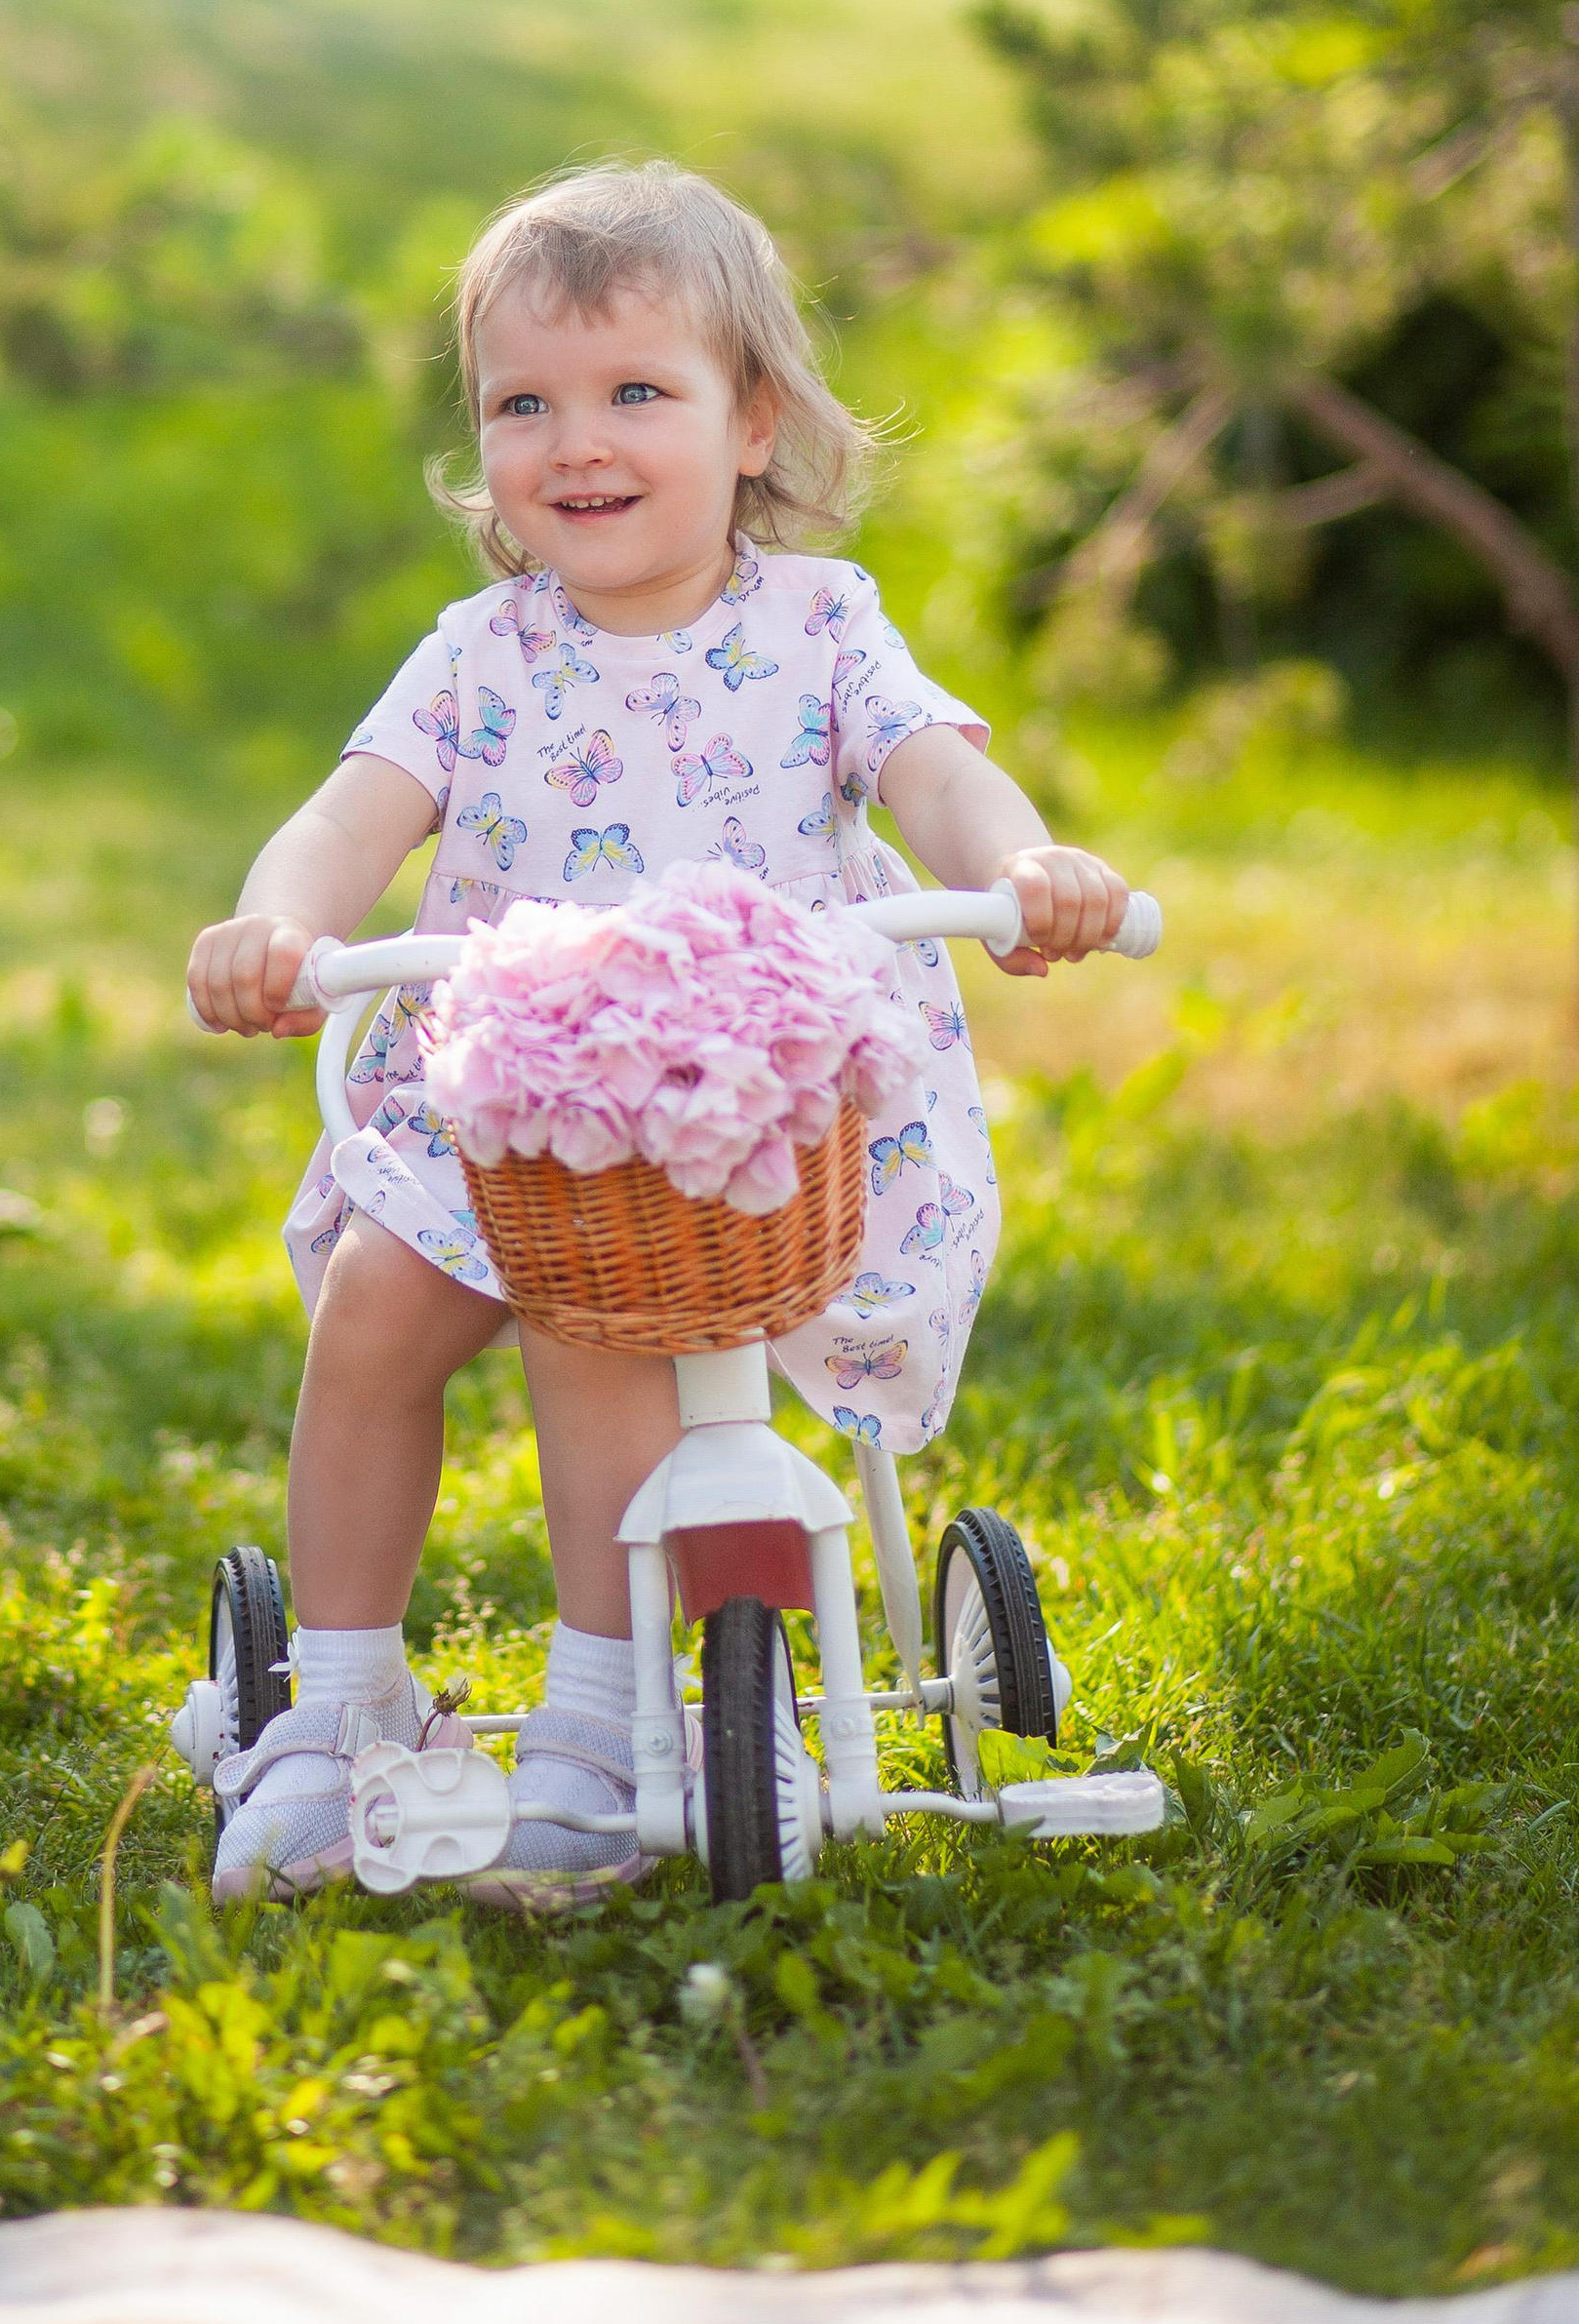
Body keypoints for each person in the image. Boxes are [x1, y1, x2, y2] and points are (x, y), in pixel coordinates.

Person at [185, 162, 1131, 1909]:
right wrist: (283, 919)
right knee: (380, 1310)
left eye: (636, 391)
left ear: (754, 419)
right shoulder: (480, 656)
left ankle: (602, 1725)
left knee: (589, 1328)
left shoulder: (821, 631)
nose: (577, 440)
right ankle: (333, 1706)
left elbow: (933, 766)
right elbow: (348, 817)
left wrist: (1023, 866)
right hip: (508, 1116)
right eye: (525, 404)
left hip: (749, 1127)